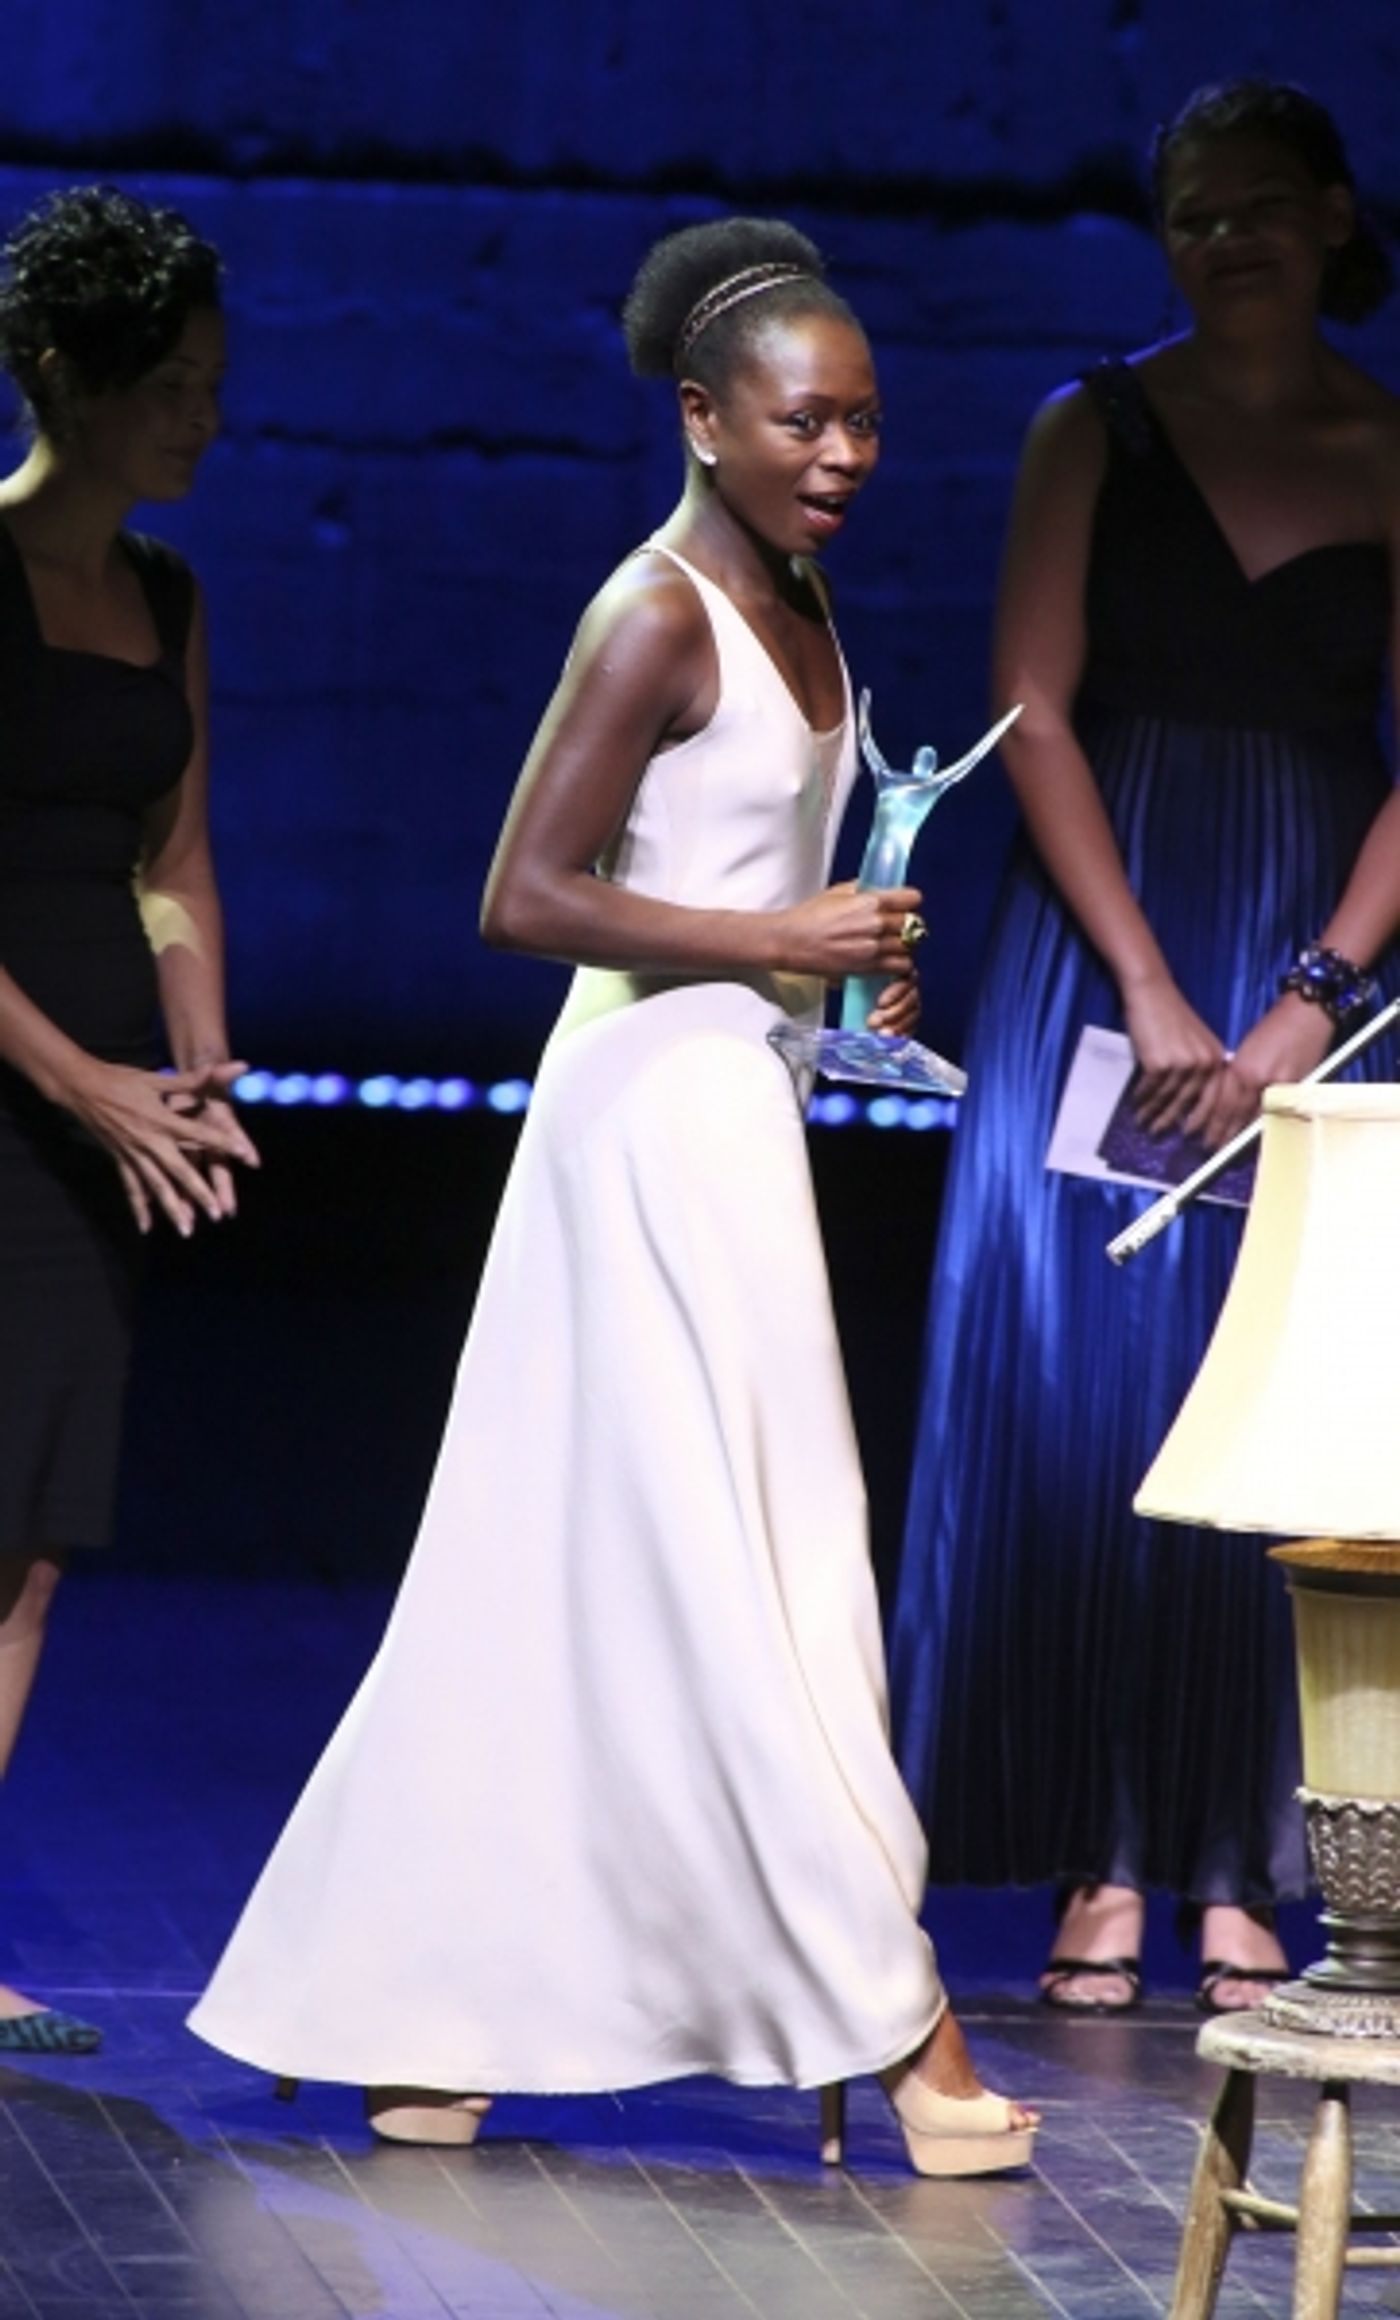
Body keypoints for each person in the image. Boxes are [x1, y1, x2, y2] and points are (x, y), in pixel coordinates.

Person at [190, 217, 1036, 2176]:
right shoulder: (651, 612)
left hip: (740, 1118)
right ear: (701, 418)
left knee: (645, 1574)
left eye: (864, 421)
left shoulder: (812, 608)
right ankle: (900, 2015)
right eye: (801, 419)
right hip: (640, 1127)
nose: (839, 451)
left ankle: (408, 2007)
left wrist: (837, 973)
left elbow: (758, 895)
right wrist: (769, 933)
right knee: (714, 1583)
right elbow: (523, 895)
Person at [890, 80, 1400, 2015]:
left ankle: (1244, 1856)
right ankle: (1098, 1852)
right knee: (1080, 1394)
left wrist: (1302, 1005)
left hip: (1301, 946)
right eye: (1195, 212)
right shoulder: (1088, 424)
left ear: (1338, 219)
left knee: (1264, 1392)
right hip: (1097, 950)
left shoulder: (1389, 448)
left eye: (1266, 206)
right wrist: (1154, 991)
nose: (1230, 238)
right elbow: (1030, 710)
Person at [0, 186, 257, 2052]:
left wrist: (195, 1057)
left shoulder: (166, 598)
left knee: (28, 1540)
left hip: (103, 1131)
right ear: (63, 381)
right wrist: (77, 1077)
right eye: (171, 385)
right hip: (18, 1090)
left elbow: (175, 859)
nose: (204, 419)